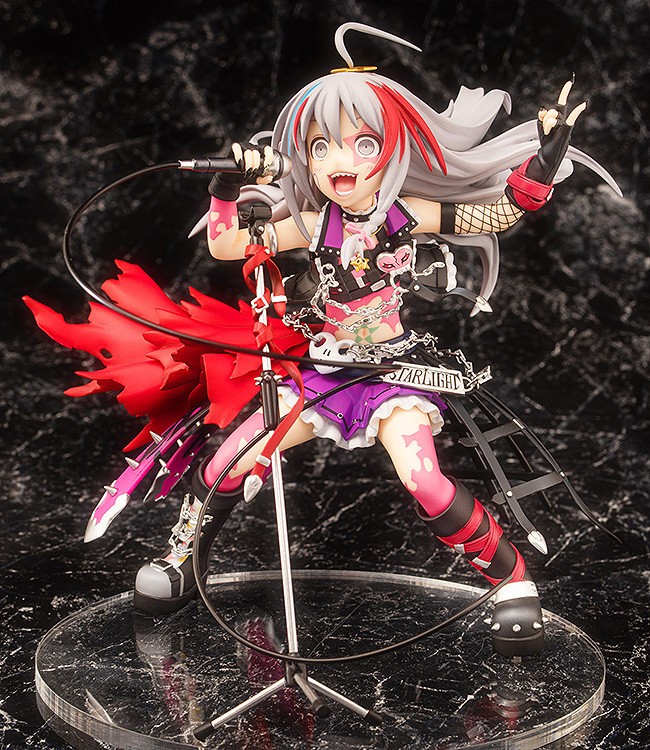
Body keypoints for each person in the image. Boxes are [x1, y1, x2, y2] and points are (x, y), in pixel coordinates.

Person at [25, 23, 619, 657]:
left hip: (391, 375)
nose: (343, 163)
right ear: (304, 158)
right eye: (322, 147)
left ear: (392, 151)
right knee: (227, 462)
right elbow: (226, 245)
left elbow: (496, 213)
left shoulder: (407, 215)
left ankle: (510, 580)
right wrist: (226, 186)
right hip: (318, 372)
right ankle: (184, 559)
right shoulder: (309, 223)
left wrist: (543, 163)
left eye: (364, 145)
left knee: (424, 479)